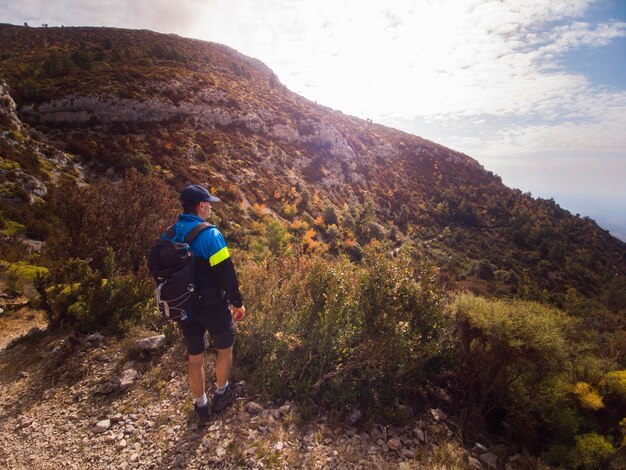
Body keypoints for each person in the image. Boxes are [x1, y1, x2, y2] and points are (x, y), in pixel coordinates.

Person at [165, 184, 245, 422]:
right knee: (224, 348)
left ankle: (200, 406)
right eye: (208, 202)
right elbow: (226, 273)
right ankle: (222, 394)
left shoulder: (168, 234)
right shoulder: (211, 234)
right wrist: (237, 302)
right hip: (212, 304)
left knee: (195, 356)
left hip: (183, 306)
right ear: (201, 206)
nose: (210, 206)